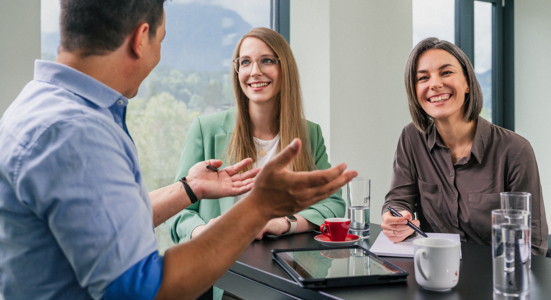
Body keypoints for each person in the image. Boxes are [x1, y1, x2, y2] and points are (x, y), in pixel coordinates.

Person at [0, 1, 357, 300]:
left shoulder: (42, 107)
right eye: (162, 40)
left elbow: (105, 222)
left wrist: (190, 188)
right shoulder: (76, 131)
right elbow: (142, 290)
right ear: (142, 38)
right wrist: (259, 206)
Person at [166, 27, 344, 245]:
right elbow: (175, 209)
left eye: (267, 61)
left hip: (286, 268)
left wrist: (284, 223)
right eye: (245, 62)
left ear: (284, 67)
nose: (255, 71)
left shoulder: (309, 134)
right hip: (220, 270)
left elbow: (333, 203)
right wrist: (202, 232)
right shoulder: (206, 129)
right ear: (237, 71)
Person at [380, 37, 548, 256]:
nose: (435, 84)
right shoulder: (411, 137)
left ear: (468, 83)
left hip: (494, 281)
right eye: (423, 78)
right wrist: (397, 219)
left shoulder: (515, 150)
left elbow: (532, 245)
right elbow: (398, 199)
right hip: (433, 274)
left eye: (446, 72)